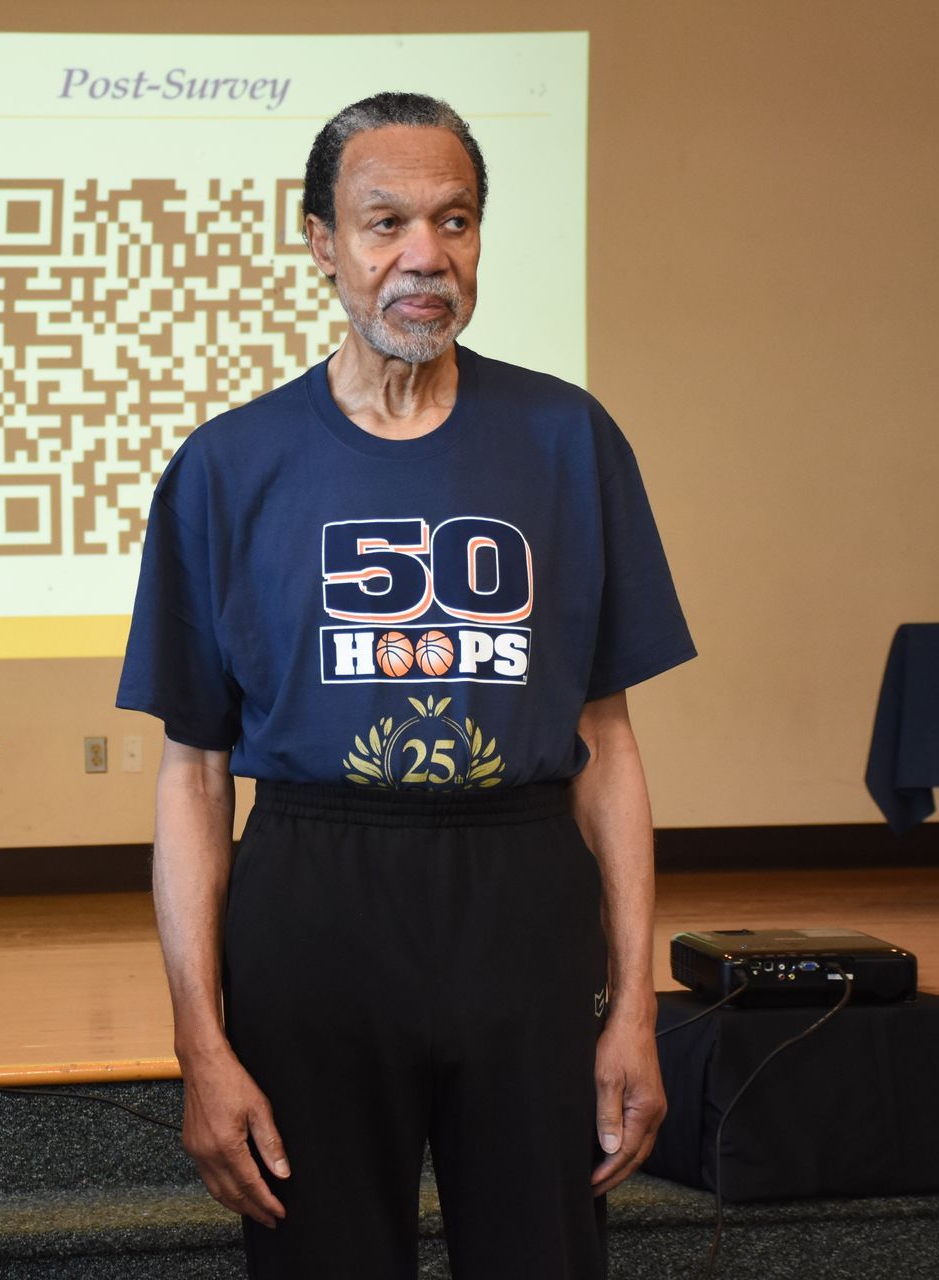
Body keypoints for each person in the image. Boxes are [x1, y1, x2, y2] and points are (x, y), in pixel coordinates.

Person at [117, 92, 696, 1278]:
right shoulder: (226, 469)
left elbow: (612, 745)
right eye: (385, 223)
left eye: (455, 219)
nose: (423, 256)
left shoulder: (567, 440)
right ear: (322, 242)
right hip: (313, 904)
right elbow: (192, 777)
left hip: (523, 899)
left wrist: (634, 1000)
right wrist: (200, 1040)